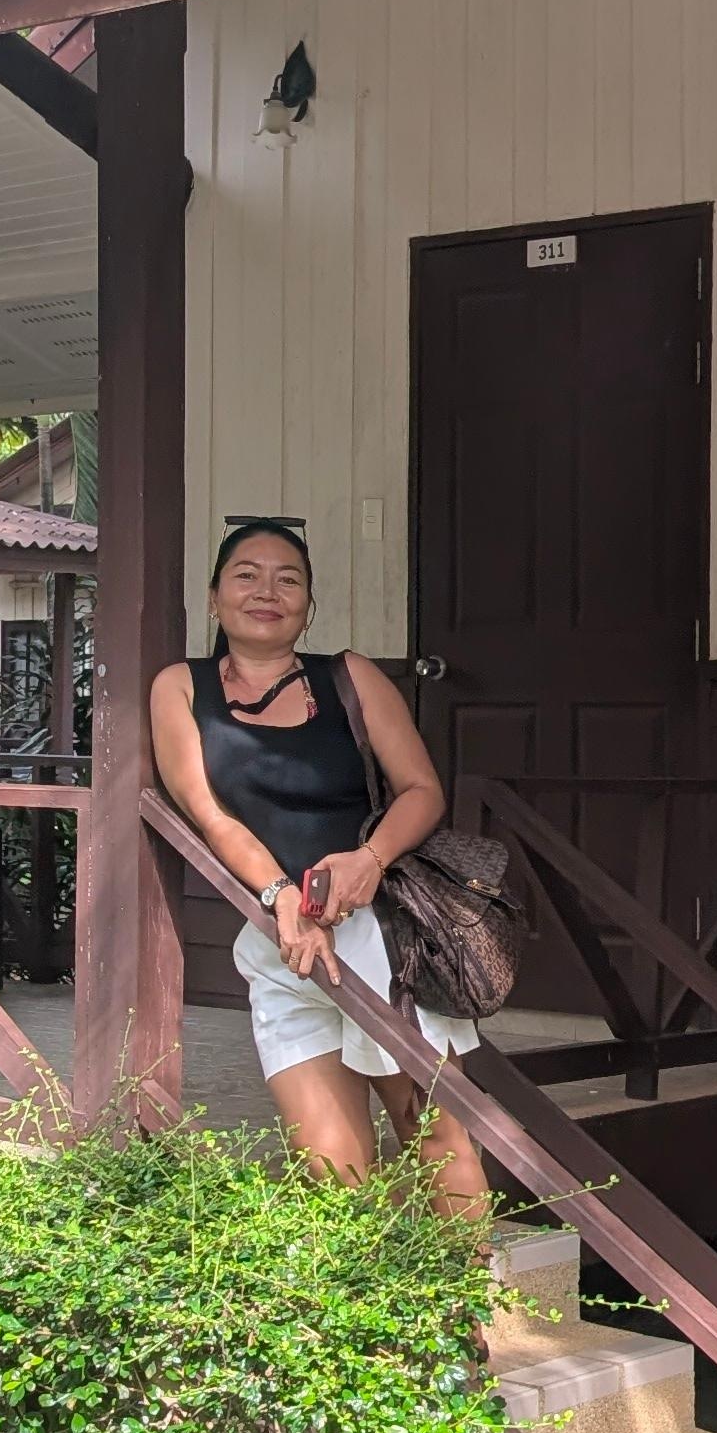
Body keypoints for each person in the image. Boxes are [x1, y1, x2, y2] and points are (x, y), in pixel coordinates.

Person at [150, 517, 494, 1210]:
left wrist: (370, 859)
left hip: (378, 937)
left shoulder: (348, 677)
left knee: (432, 1131)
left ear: (308, 605)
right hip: (281, 942)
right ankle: (369, 1281)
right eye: (246, 575)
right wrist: (279, 893)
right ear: (214, 597)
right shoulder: (180, 687)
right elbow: (211, 815)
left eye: (289, 579)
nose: (266, 591)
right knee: (330, 1167)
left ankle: (474, 1279)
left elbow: (422, 791)